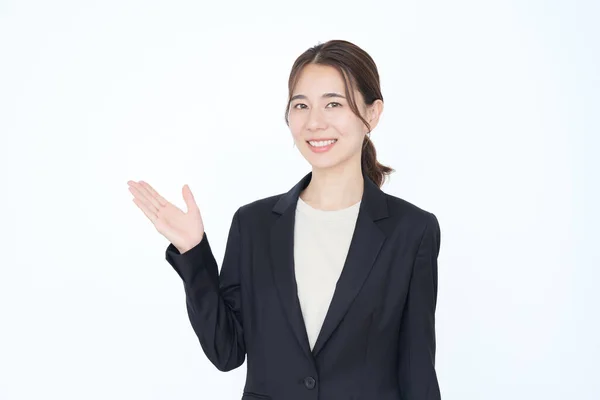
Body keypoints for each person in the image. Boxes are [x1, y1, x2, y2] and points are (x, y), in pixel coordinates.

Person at [128, 39, 441, 400]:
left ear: (372, 113)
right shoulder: (254, 225)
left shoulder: (411, 230)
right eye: (301, 106)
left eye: (333, 104)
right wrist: (193, 252)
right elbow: (226, 352)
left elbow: (417, 368)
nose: (314, 123)